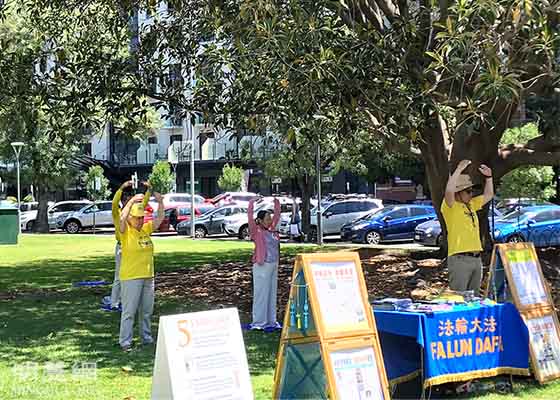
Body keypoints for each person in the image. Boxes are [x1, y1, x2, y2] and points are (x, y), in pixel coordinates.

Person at [118, 192, 164, 351]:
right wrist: (130, 202)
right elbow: (121, 219)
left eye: (141, 217)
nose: (140, 220)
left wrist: (160, 203)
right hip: (131, 277)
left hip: (147, 276)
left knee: (146, 311)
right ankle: (125, 342)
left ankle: (146, 337)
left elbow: (158, 220)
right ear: (130, 217)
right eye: (136, 218)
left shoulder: (145, 229)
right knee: (129, 311)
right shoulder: (124, 232)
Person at [442, 160, 493, 294]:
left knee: (474, 299)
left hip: (476, 259)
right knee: (459, 298)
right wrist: (458, 169)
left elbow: (489, 195)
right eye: (468, 191)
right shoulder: (450, 206)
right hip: (459, 259)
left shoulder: (471, 204)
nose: (471, 194)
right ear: (458, 192)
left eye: (472, 191)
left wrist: (489, 177)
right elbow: (448, 190)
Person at [108, 181, 150, 311]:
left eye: (129, 199)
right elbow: (114, 203)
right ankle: (114, 302)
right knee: (119, 276)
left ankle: (129, 301)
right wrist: (121, 188)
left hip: (132, 247)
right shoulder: (118, 213)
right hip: (122, 246)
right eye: (126, 199)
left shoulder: (134, 212)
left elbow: (144, 202)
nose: (128, 201)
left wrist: (148, 190)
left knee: (131, 276)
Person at [247, 196, 281, 331]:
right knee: (261, 293)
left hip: (273, 264)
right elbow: (249, 217)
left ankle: (271, 320)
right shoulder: (256, 230)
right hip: (262, 265)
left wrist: (275, 201)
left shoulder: (272, 229)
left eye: (270, 218)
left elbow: (277, 214)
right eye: (267, 219)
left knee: (272, 293)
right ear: (260, 220)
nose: (270, 221)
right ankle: (259, 322)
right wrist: (252, 202)